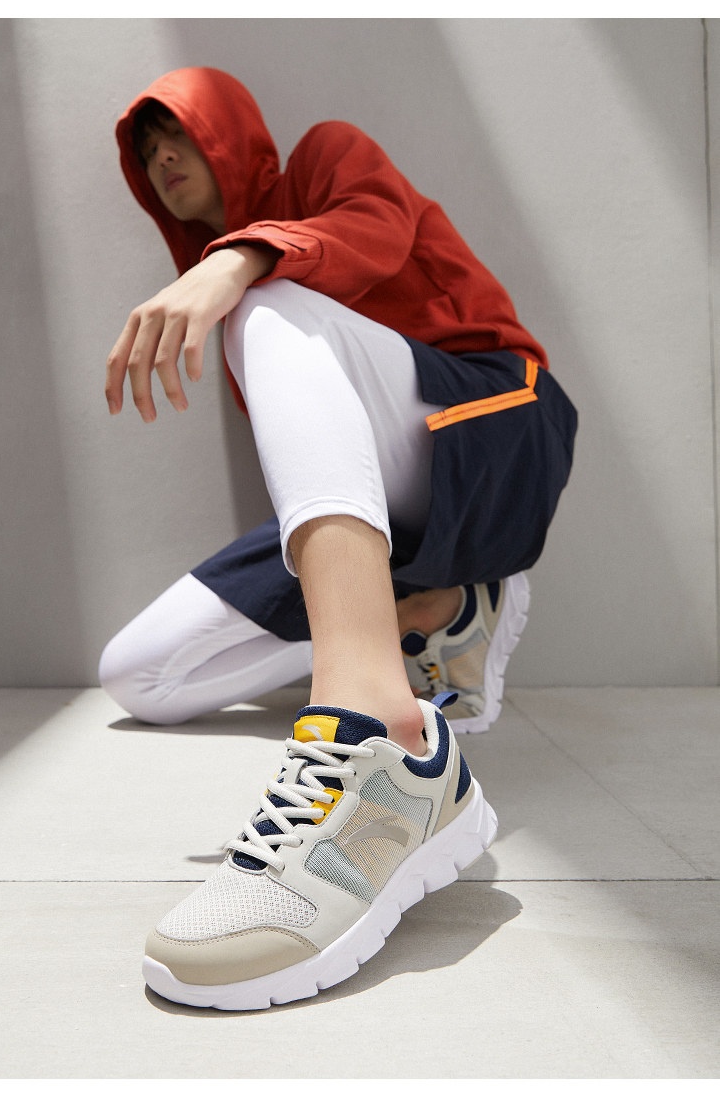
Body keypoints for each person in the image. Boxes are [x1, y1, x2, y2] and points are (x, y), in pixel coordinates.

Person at [99, 67, 577, 1010]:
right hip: (385, 513)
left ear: (231, 133)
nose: (162, 161)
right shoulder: (251, 310)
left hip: (495, 428)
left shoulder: (322, 161)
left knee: (268, 306)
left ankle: (380, 734)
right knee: (140, 672)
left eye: (178, 136)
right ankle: (435, 612)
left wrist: (236, 262)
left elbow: (376, 229)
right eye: (147, 155)